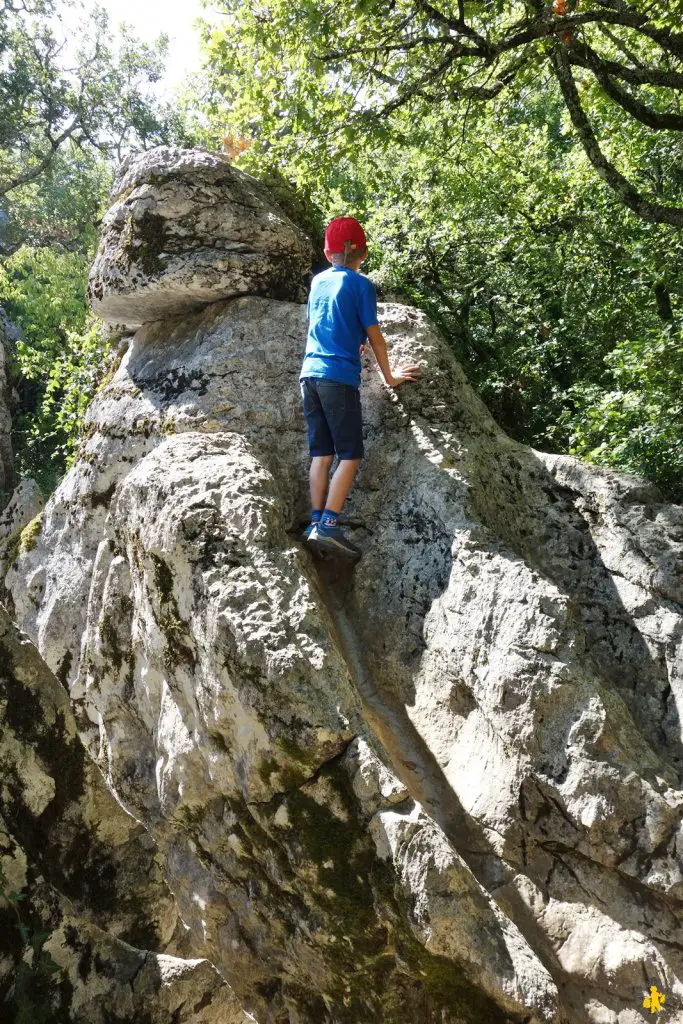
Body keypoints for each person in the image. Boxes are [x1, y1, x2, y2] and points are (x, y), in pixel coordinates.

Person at [300, 216, 420, 559]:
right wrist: (390, 376)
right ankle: (329, 525)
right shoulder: (362, 285)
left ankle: (314, 521)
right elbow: (376, 338)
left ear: (327, 252)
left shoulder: (318, 282)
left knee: (321, 454)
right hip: (338, 378)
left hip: (309, 375)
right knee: (351, 454)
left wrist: (351, 339)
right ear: (363, 254)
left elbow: (321, 324)